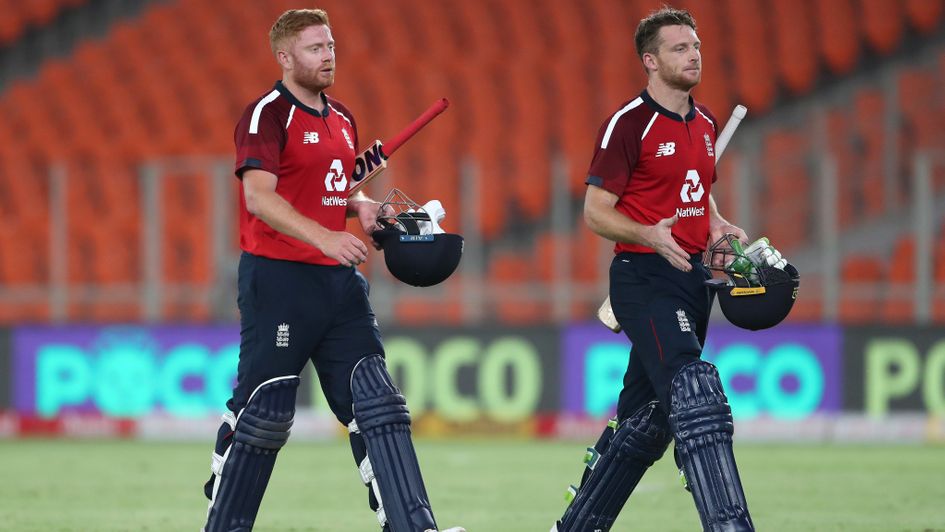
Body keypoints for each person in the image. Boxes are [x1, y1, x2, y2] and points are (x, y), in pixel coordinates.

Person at [201, 9, 464, 532]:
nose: (328, 57)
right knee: (265, 413)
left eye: (331, 46)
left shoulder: (342, 118)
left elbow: (325, 193)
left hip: (339, 284)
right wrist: (324, 236)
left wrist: (360, 208)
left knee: (378, 404)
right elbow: (259, 198)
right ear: (284, 57)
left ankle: (414, 527)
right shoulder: (266, 116)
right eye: (315, 48)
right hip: (278, 280)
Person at [552, 7, 754, 532]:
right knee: (695, 395)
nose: (694, 55)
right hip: (643, 275)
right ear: (650, 60)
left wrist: (715, 222)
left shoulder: (706, 124)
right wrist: (649, 234)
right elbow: (596, 212)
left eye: (696, 46)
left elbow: (696, 190)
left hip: (691, 277)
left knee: (645, 422)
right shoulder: (628, 124)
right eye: (679, 48)